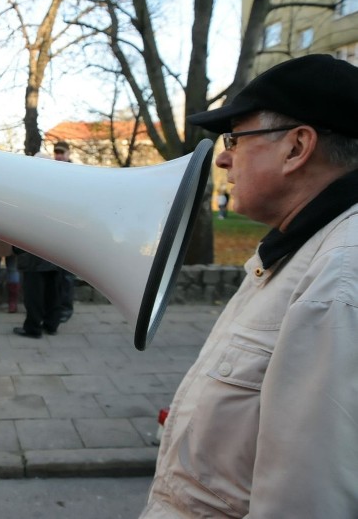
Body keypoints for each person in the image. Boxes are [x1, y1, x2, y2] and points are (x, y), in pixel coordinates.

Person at [141, 54, 358, 518]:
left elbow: (306, 502)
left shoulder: (337, 278)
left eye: (236, 138)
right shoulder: (300, 252)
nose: (223, 156)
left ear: (297, 148)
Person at [52, 141, 77, 322]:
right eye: (56, 152)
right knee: (58, 276)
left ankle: (65, 309)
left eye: (61, 153)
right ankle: (56, 307)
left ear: (68, 153)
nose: (58, 155)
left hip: (70, 230)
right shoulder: (53, 171)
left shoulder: (74, 174)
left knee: (67, 275)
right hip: (58, 229)